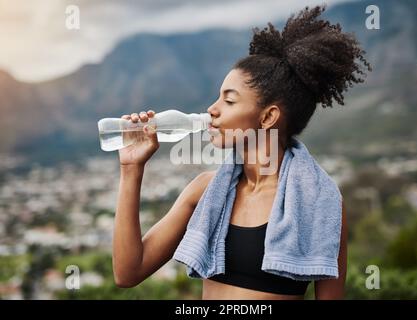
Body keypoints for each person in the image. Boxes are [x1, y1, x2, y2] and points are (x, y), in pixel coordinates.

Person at [112, 6, 370, 300]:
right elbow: (127, 273)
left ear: (268, 116)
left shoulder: (319, 200)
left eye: (229, 101)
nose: (212, 109)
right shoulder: (205, 191)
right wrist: (131, 169)